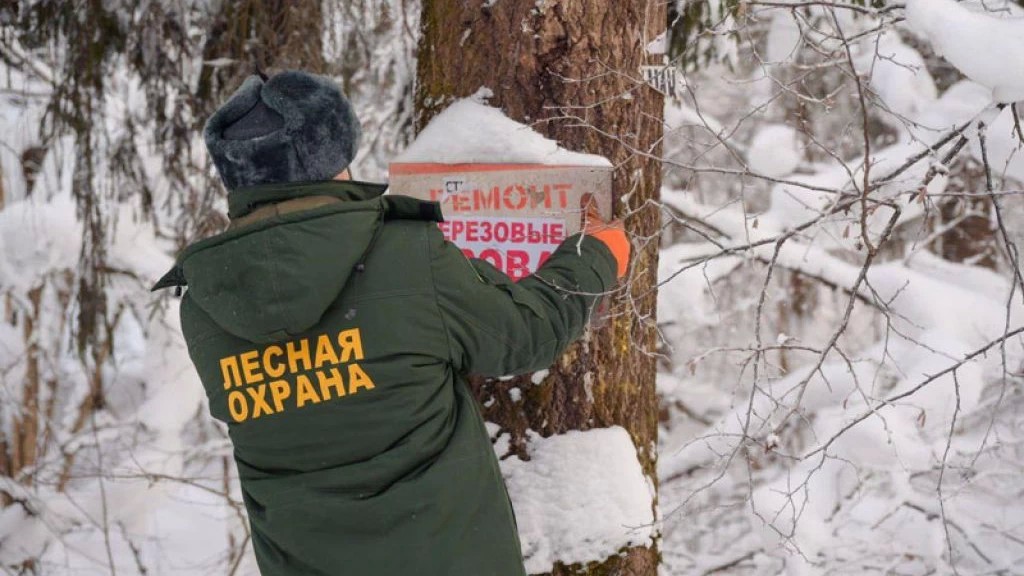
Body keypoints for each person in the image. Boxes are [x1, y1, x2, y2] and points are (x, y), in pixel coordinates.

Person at [152, 69, 629, 576]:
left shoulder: (203, 301)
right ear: (332, 157)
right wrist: (595, 256)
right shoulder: (402, 253)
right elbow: (525, 335)